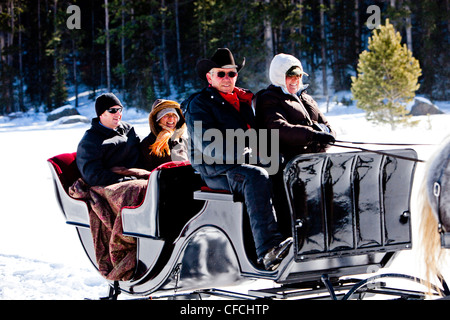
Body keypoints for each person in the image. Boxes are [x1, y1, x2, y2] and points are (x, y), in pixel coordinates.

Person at [183, 48, 292, 271]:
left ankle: (293, 238)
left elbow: (255, 135)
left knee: (286, 169)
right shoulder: (199, 104)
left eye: (231, 74)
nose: (227, 78)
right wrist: (251, 152)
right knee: (256, 176)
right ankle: (268, 250)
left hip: (244, 163)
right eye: (220, 74)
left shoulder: (243, 101)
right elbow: (209, 146)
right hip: (216, 170)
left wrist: (273, 153)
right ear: (209, 77)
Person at [255, 53, 336, 165]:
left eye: (298, 76)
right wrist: (312, 135)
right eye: (290, 76)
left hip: (317, 161)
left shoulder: (307, 99)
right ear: (280, 76)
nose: (295, 80)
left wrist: (327, 136)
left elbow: (326, 126)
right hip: (290, 164)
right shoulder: (269, 99)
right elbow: (278, 128)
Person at [76, 92, 150, 186]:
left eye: (120, 109)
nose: (118, 114)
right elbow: (94, 176)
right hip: (116, 184)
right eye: (113, 110)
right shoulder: (90, 141)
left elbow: (144, 146)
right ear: (101, 114)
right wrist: (130, 180)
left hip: (140, 176)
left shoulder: (128, 129)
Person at [140, 99, 189, 171]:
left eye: (174, 115)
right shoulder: (148, 143)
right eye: (166, 115)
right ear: (158, 119)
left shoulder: (183, 140)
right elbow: (147, 171)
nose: (171, 118)